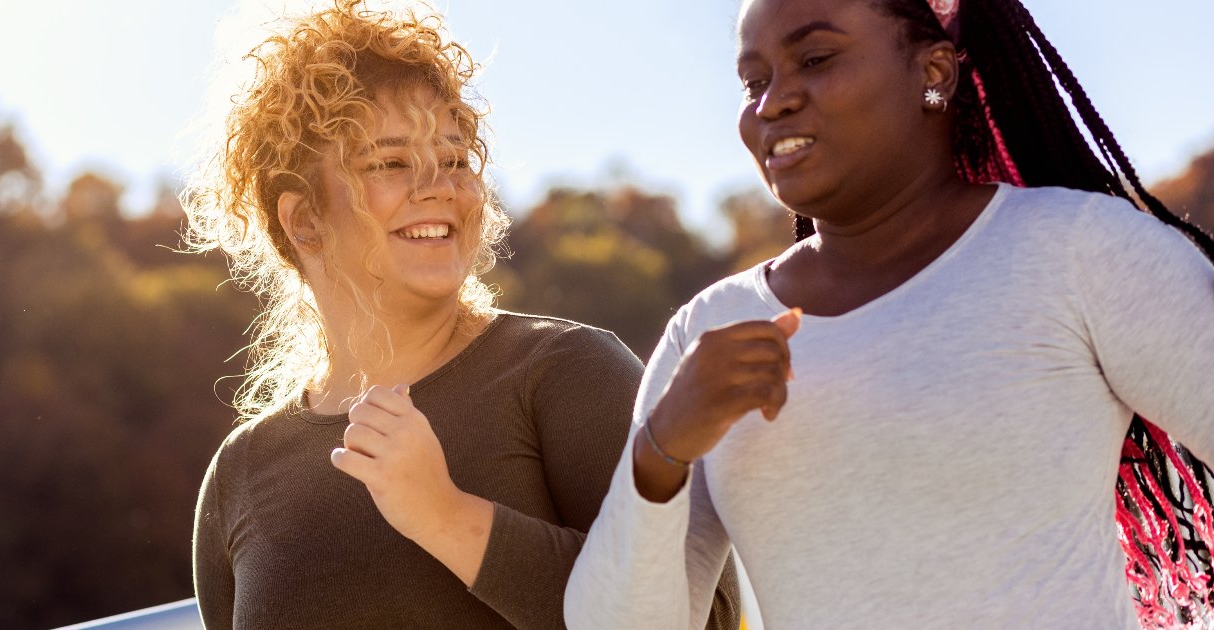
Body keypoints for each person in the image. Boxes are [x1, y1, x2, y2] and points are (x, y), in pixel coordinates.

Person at [565, 0, 1214, 627]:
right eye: (753, 81)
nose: (773, 101)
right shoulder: (712, 329)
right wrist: (661, 449)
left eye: (815, 58)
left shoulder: (1077, 253)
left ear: (933, 74)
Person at [179, 1, 740, 628]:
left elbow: (706, 617)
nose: (440, 185)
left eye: (454, 159)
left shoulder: (566, 373)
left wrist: (447, 518)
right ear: (304, 219)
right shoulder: (242, 471)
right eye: (390, 163)